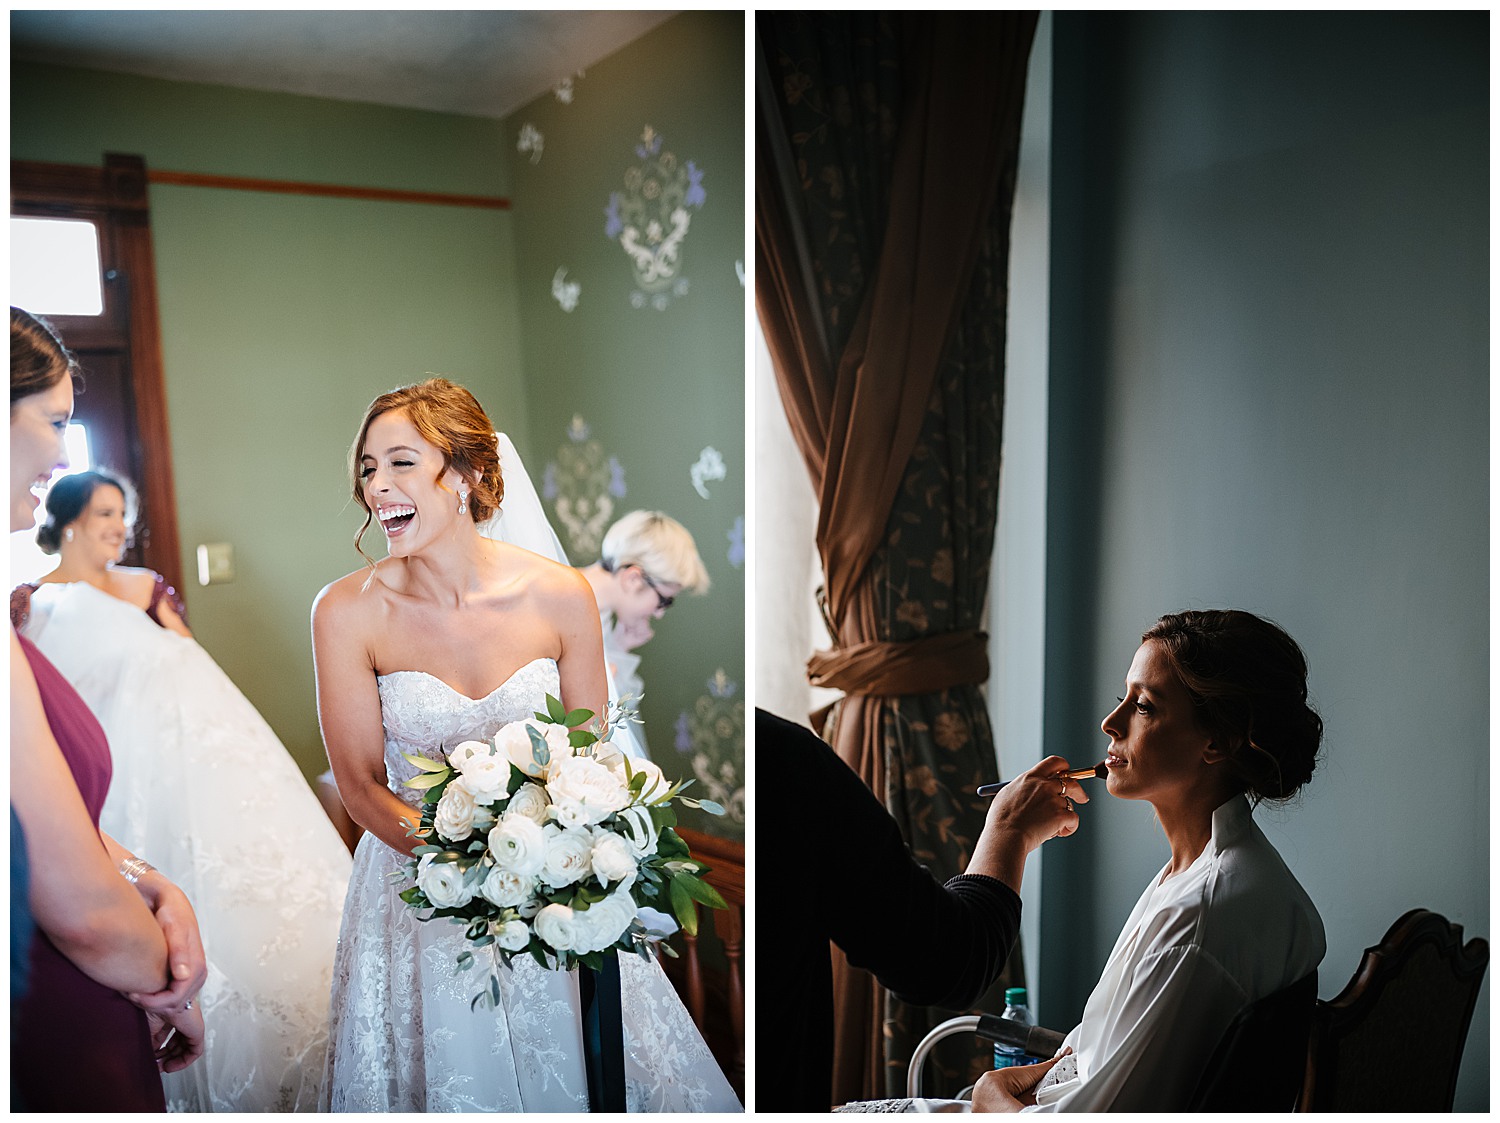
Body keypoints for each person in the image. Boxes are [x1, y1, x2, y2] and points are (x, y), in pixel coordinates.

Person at [312, 377, 740, 1111]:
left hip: (555, 888)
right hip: (415, 898)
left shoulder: (561, 595)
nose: (378, 485)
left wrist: (551, 872)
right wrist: (465, 871)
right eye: (367, 467)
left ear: (469, 475)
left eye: (401, 462)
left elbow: (591, 761)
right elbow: (358, 783)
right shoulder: (346, 612)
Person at [12, 468, 353, 1111]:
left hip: (180, 757)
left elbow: (196, 669)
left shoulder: (144, 589)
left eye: (124, 515)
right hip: (91, 782)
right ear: (69, 519)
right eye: (106, 513)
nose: (119, 527)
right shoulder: (28, 605)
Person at [971, 609, 1326, 1112]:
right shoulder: (1205, 873)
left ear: (1216, 741)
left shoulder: (1198, 920)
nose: (1109, 723)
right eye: (1123, 699)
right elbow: (1100, 1055)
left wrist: (990, 1094)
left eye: (1143, 707)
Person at [10, 307, 206, 1111]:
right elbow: (82, 912)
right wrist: (172, 985)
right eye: (54, 420)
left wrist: (147, 877)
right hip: (55, 1021)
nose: (63, 450)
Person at [755, 708, 1091, 1112]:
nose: (1109, 723)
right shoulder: (786, 762)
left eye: (1143, 705)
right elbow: (947, 959)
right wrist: (1009, 829)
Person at [578, 511, 711, 758]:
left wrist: (619, 646)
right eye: (665, 600)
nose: (659, 614)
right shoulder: (569, 605)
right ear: (633, 579)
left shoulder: (600, 613)